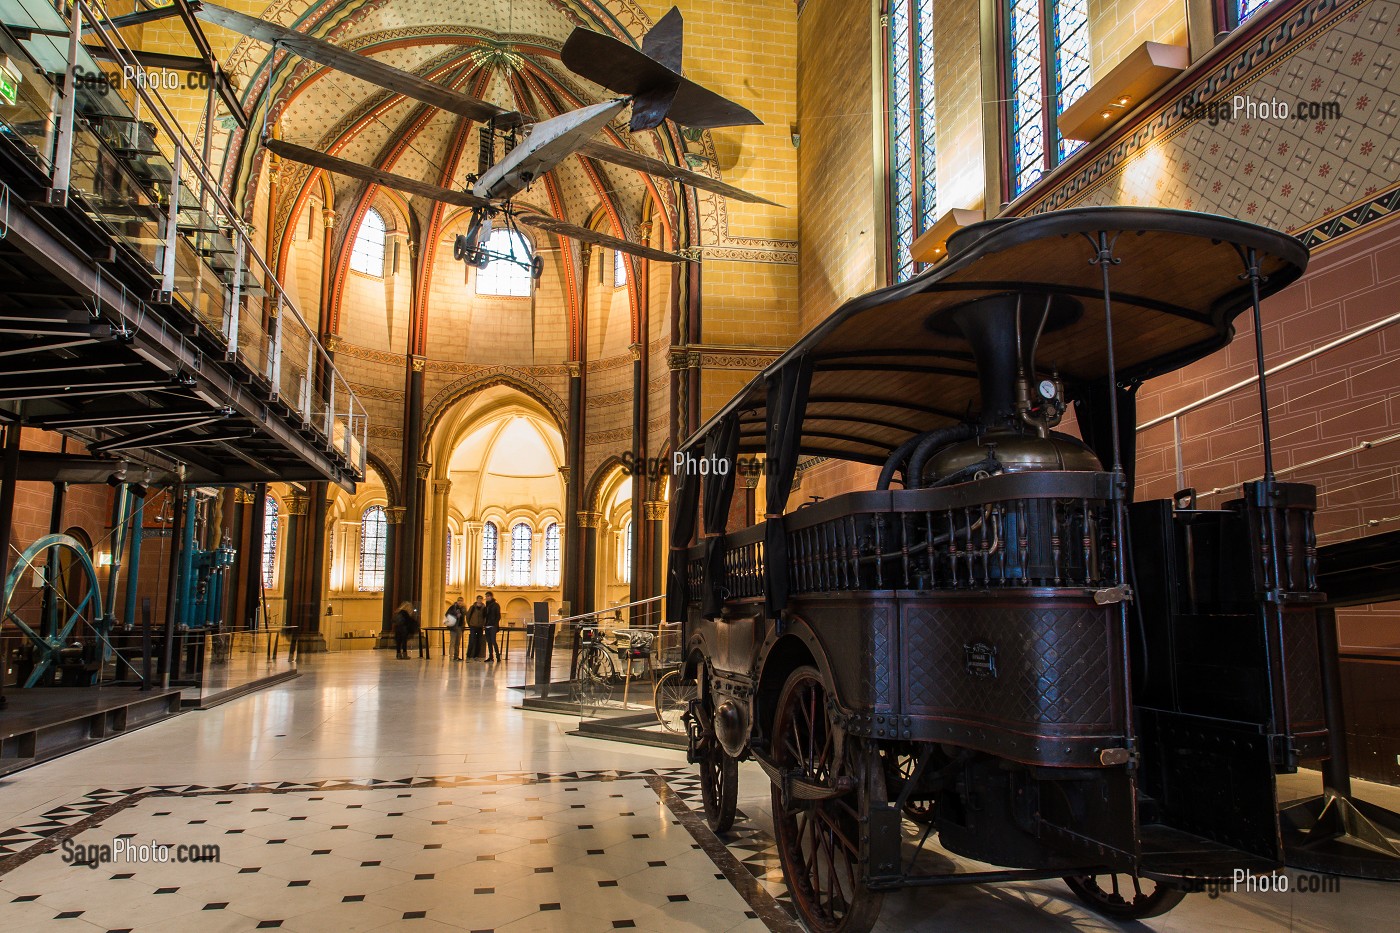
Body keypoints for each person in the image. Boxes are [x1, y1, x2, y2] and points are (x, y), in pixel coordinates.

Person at [465, 595, 486, 661]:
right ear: (477, 600)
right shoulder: (472, 607)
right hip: (473, 626)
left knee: (479, 642)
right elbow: (468, 616)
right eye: (478, 599)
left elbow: (485, 617)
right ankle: (468, 655)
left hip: (480, 627)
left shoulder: (484, 608)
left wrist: (483, 624)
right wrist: (470, 624)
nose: (480, 600)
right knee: (472, 641)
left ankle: (476, 656)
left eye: (481, 599)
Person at [483, 591, 502, 662]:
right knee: (489, 642)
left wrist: (495, 624)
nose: (487, 598)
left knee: (493, 641)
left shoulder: (496, 605)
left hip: (493, 626)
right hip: (487, 625)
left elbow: (498, 616)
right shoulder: (486, 605)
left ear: (491, 597)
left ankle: (498, 657)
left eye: (488, 596)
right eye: (486, 596)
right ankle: (491, 657)